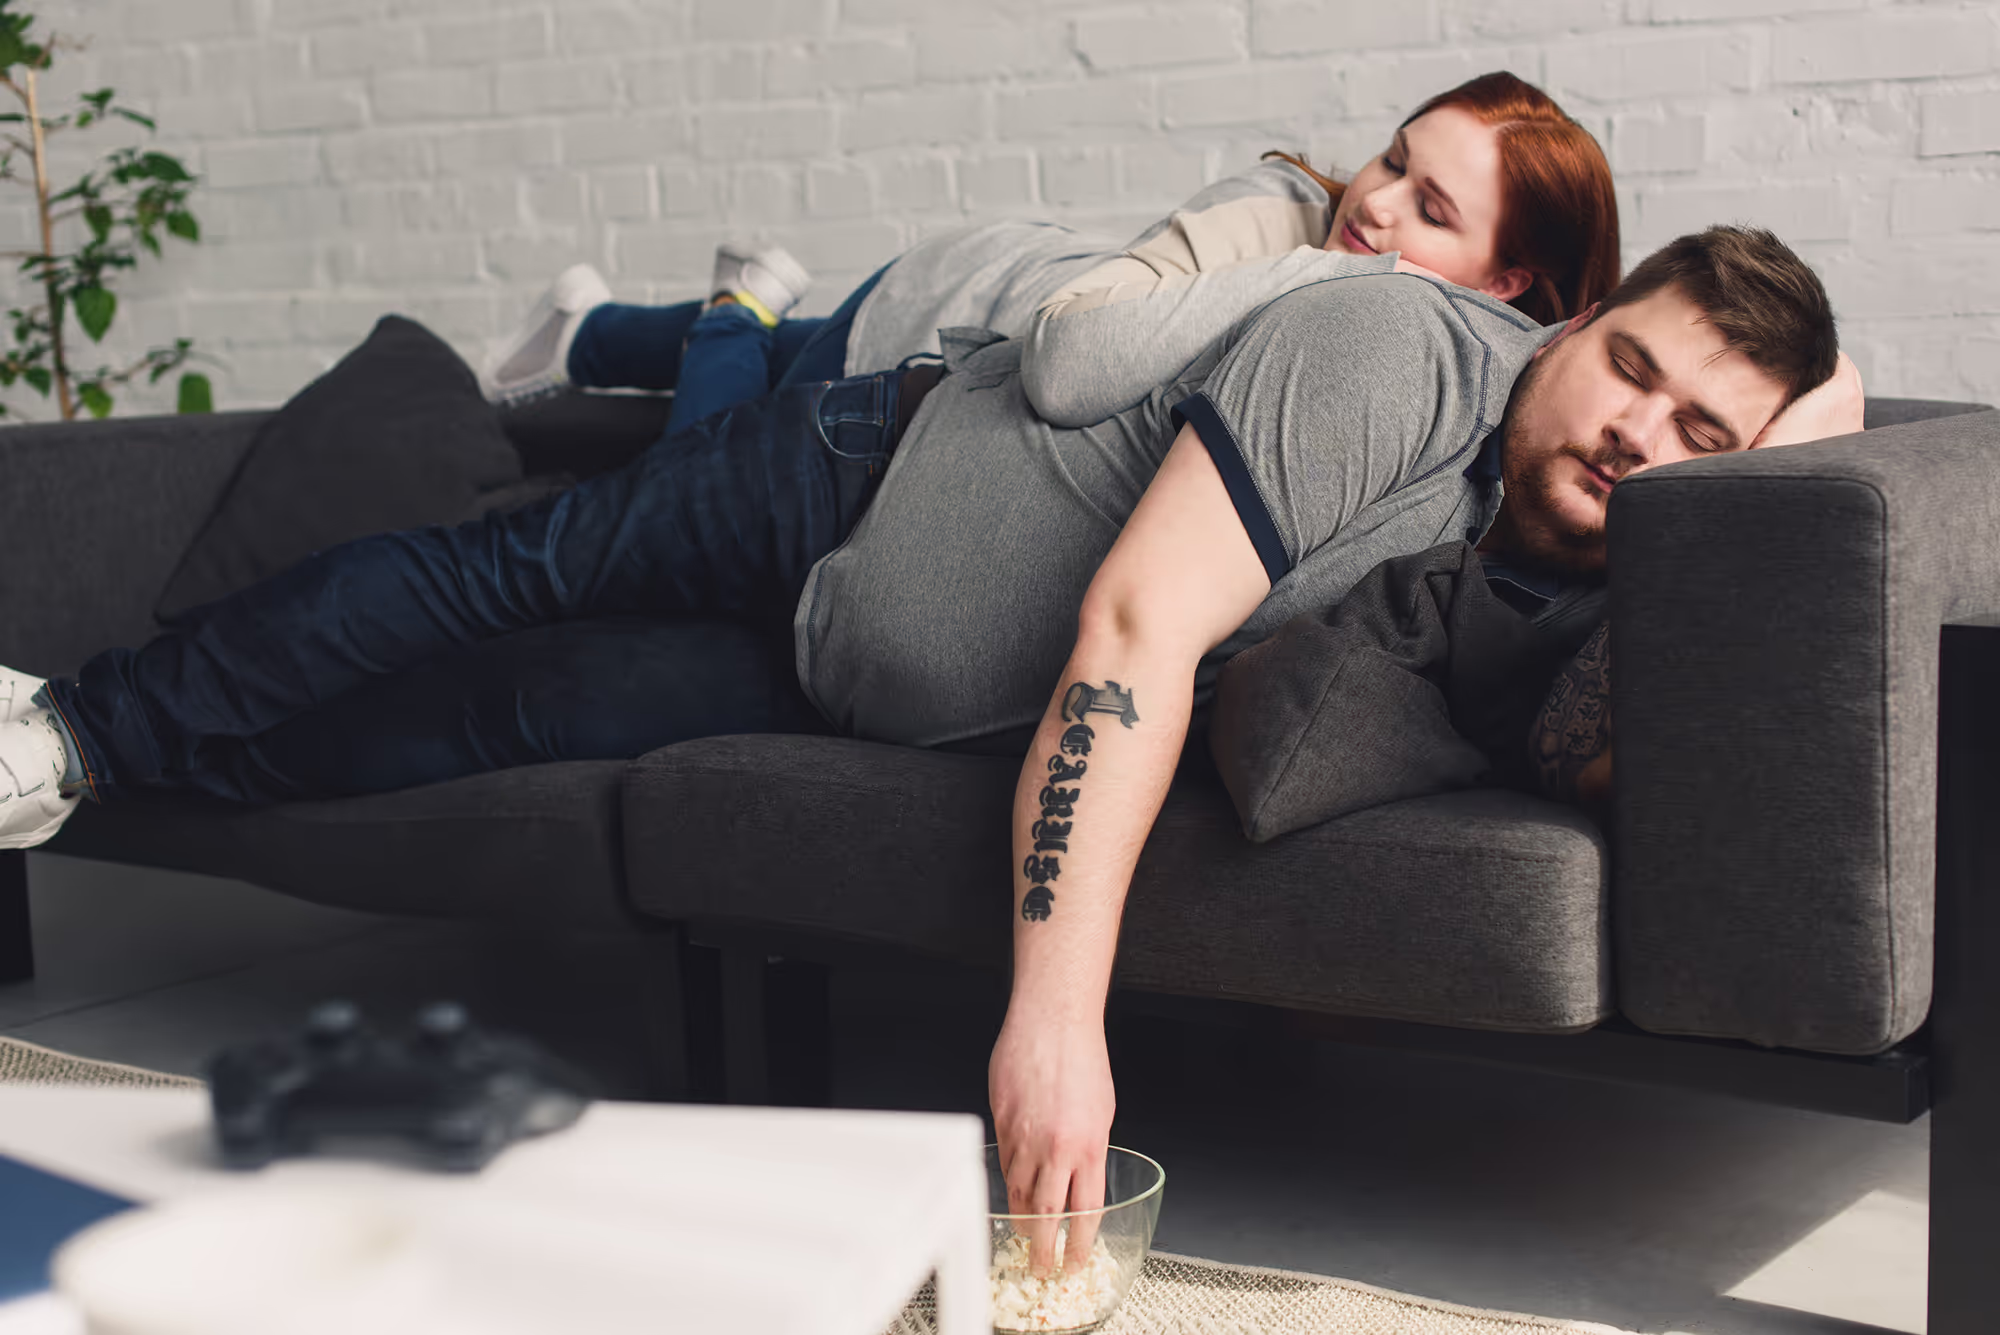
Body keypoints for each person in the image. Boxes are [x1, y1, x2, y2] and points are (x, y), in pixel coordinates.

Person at [478, 71, 1618, 440]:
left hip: (972, 294)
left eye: (1429, 209)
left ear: (1507, 282)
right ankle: (733, 308)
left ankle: (584, 326)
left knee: (775, 354)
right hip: (947, 308)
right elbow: (1066, 359)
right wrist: (1347, 264)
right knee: (720, 439)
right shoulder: (1277, 214)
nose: (1371, 205)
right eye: (1388, 161)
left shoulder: (1474, 361)